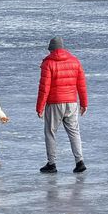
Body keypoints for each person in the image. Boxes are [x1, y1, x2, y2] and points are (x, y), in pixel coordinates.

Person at [36, 37, 88, 173]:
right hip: (71, 103)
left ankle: (51, 164)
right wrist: (84, 103)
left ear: (51, 49)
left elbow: (44, 88)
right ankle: (80, 161)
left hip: (54, 103)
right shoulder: (75, 61)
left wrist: (40, 107)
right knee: (74, 132)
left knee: (50, 132)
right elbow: (81, 85)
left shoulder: (48, 63)